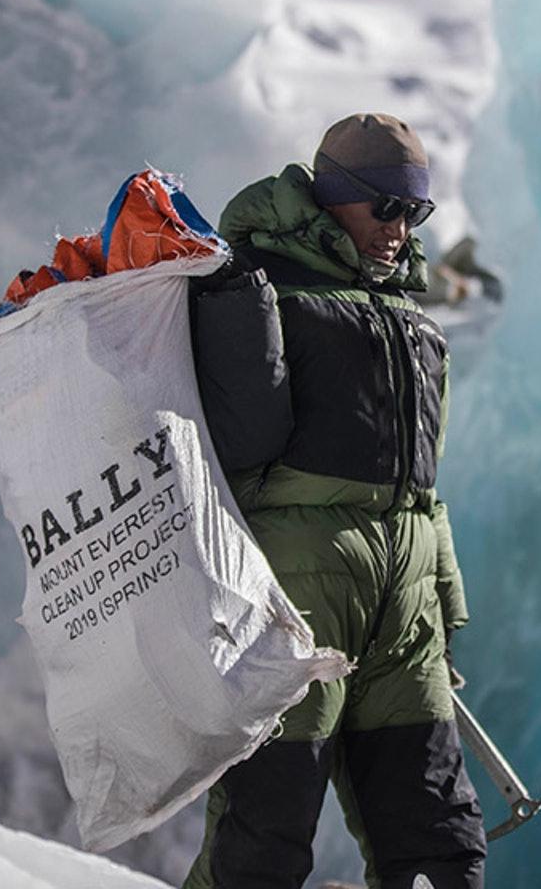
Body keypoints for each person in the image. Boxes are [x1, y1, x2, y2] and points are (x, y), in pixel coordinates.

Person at [184, 113, 488, 889]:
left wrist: (441, 602)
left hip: (403, 618)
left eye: (413, 212)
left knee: (440, 848)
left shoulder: (412, 322)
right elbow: (233, 447)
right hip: (298, 611)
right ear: (332, 197)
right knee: (263, 843)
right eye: (385, 206)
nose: (400, 229)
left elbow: (423, 490)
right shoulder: (260, 292)